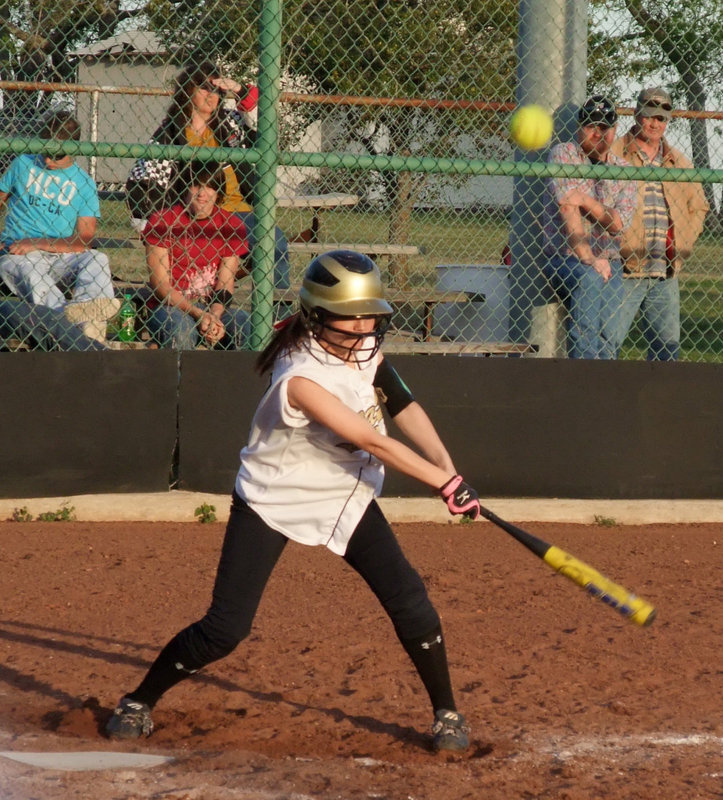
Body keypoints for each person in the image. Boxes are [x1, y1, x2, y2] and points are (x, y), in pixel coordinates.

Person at [105, 250, 481, 753]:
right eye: (353, 315)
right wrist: (443, 485)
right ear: (319, 316)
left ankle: (447, 713)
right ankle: (138, 700)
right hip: (273, 498)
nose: (366, 324)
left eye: (370, 311)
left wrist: (449, 468)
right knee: (226, 628)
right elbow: (373, 441)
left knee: (410, 599)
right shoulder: (301, 377)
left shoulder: (361, 345)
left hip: (341, 494)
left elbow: (402, 405)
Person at [126, 60, 291, 291]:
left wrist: (240, 91)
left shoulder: (230, 123)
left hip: (238, 214)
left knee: (275, 241)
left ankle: (277, 317)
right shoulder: (171, 132)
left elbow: (266, 128)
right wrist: (149, 226)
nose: (211, 94)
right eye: (203, 87)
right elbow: (140, 180)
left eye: (216, 88)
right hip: (195, 216)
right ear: (187, 91)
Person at [606, 87, 709, 360]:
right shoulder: (615, 152)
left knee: (666, 352)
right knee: (606, 344)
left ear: (667, 121)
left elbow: (699, 205)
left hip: (664, 271)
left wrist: (683, 242)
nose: (654, 124)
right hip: (623, 269)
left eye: (661, 119)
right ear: (638, 114)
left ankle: (662, 402)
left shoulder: (677, 160)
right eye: (649, 116)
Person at [0, 111, 117, 347]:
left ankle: (84, 309)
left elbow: (84, 240)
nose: (48, 161)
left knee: (97, 258)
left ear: (74, 147)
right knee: (29, 269)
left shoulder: (83, 182)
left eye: (57, 155)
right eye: (45, 152)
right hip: (19, 254)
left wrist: (37, 242)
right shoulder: (23, 164)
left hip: (62, 255)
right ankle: (74, 326)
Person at [541, 95, 637, 359]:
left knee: (608, 338)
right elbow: (567, 208)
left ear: (614, 130)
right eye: (591, 126)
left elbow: (618, 224)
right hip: (565, 258)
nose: (598, 133)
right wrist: (589, 259)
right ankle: (583, 372)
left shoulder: (624, 170)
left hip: (610, 260)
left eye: (605, 127)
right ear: (579, 127)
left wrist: (584, 199)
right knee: (590, 277)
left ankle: (602, 387)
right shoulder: (564, 154)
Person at [142, 163, 251, 350]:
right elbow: (161, 286)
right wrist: (197, 313)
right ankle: (180, 379)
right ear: (185, 190)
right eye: (195, 186)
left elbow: (225, 284)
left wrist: (214, 316)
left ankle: (236, 379)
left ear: (218, 193)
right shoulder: (162, 221)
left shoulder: (230, 224)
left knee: (243, 324)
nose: (202, 193)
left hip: (212, 307)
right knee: (181, 329)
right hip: (171, 308)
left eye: (209, 186)